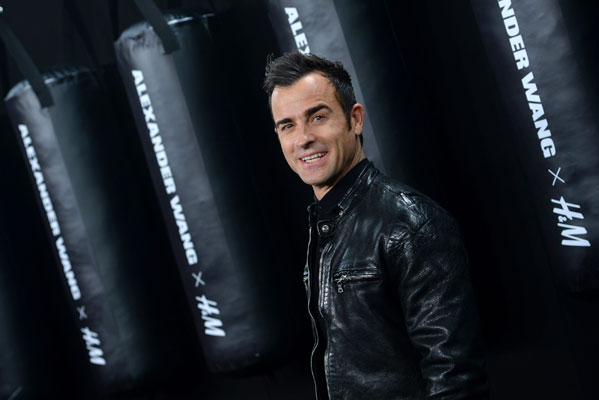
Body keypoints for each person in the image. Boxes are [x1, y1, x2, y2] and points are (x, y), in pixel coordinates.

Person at [263, 52, 488, 400]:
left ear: (354, 119)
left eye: (318, 117)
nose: (303, 138)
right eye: (287, 125)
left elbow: (456, 379)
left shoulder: (412, 224)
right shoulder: (325, 223)